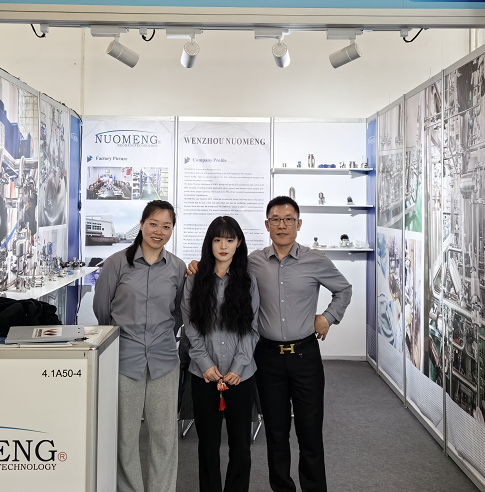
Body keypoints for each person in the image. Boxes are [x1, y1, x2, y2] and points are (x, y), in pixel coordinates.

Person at [187, 196, 352, 492]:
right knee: (276, 433)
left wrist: (328, 317)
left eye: (289, 219)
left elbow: (344, 289)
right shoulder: (253, 262)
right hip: (268, 358)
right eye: (276, 220)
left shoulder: (316, 260)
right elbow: (224, 265)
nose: (282, 225)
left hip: (305, 355)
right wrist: (196, 265)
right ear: (267, 225)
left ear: (299, 224)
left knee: (310, 433)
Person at [93, 200, 187, 492]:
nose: (159, 231)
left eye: (166, 226)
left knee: (164, 436)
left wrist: (162, 333)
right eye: (153, 224)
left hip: (164, 360)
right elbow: (102, 309)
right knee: (125, 435)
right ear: (142, 224)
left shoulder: (177, 268)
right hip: (125, 359)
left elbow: (179, 312)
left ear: (172, 229)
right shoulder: (116, 263)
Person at [181, 216, 260, 492]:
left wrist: (239, 366)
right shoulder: (194, 280)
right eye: (217, 240)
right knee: (208, 445)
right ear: (209, 243)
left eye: (229, 239)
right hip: (204, 375)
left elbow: (252, 329)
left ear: (239, 242)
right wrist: (204, 363)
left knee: (241, 446)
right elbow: (190, 328)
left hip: (241, 376)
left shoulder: (249, 281)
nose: (223, 246)